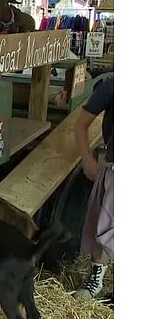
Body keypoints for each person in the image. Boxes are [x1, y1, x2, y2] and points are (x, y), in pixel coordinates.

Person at [73, 77, 114, 301]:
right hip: (117, 166)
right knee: (105, 223)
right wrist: (87, 159)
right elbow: (81, 124)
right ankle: (96, 277)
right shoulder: (112, 85)